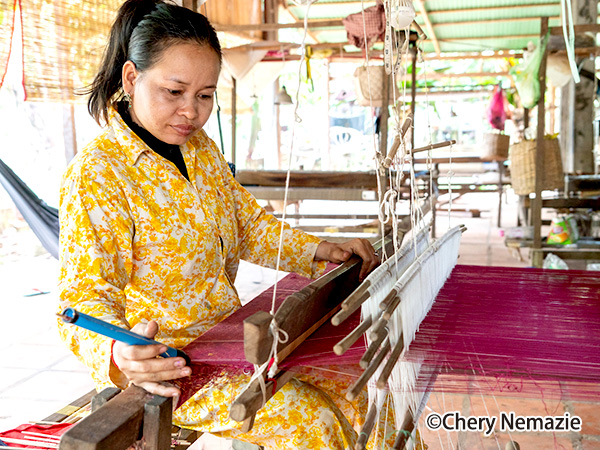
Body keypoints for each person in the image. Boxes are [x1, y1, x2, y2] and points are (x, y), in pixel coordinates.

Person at [58, 1, 424, 449]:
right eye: (174, 92)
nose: (190, 112)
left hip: (228, 341)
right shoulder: (99, 173)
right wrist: (119, 354)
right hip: (175, 364)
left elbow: (247, 224)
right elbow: (82, 298)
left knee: (367, 394)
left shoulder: (200, 151)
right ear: (132, 78)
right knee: (312, 424)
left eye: (205, 95)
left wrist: (317, 250)